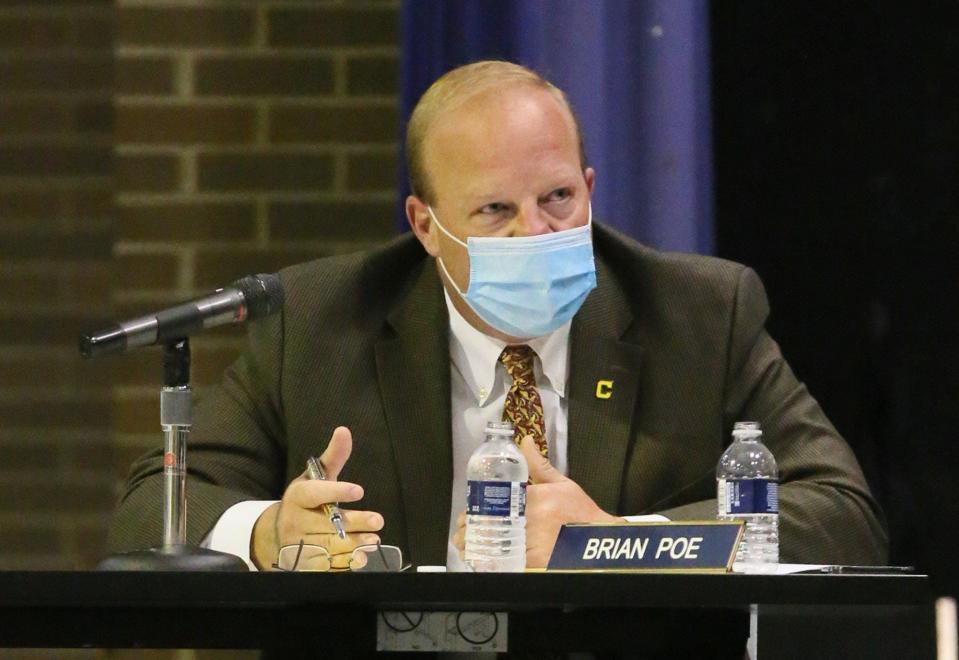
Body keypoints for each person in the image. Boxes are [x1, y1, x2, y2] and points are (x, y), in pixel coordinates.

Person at [109, 61, 888, 571]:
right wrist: (269, 532)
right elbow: (154, 503)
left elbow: (843, 514)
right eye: (493, 210)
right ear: (424, 225)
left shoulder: (697, 313)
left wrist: (617, 543)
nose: (536, 233)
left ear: (588, 184)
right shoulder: (318, 318)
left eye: (558, 199)